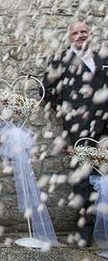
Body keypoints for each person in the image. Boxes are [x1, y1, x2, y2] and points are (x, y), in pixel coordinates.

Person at [43, 20, 108, 246]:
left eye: (84, 32)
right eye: (76, 33)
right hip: (79, 132)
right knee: (82, 181)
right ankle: (84, 234)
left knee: (103, 179)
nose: (80, 35)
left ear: (90, 35)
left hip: (104, 129)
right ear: (70, 37)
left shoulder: (102, 59)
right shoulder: (60, 61)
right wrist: (67, 113)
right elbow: (48, 92)